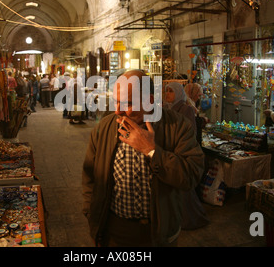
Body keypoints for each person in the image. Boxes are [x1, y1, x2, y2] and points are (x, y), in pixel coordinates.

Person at [82, 70, 205, 247]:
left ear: (150, 100)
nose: (118, 110)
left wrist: (152, 151)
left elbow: (191, 175)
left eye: (128, 103)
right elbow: (90, 178)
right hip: (115, 231)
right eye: (116, 101)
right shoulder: (105, 128)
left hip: (158, 232)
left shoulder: (177, 126)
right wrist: (92, 220)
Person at [164, 82, 209, 231]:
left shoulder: (186, 109)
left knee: (182, 190)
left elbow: (190, 133)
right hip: (169, 151)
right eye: (167, 91)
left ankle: (187, 219)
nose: (168, 94)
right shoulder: (166, 108)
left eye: (171, 91)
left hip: (181, 152)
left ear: (178, 93)